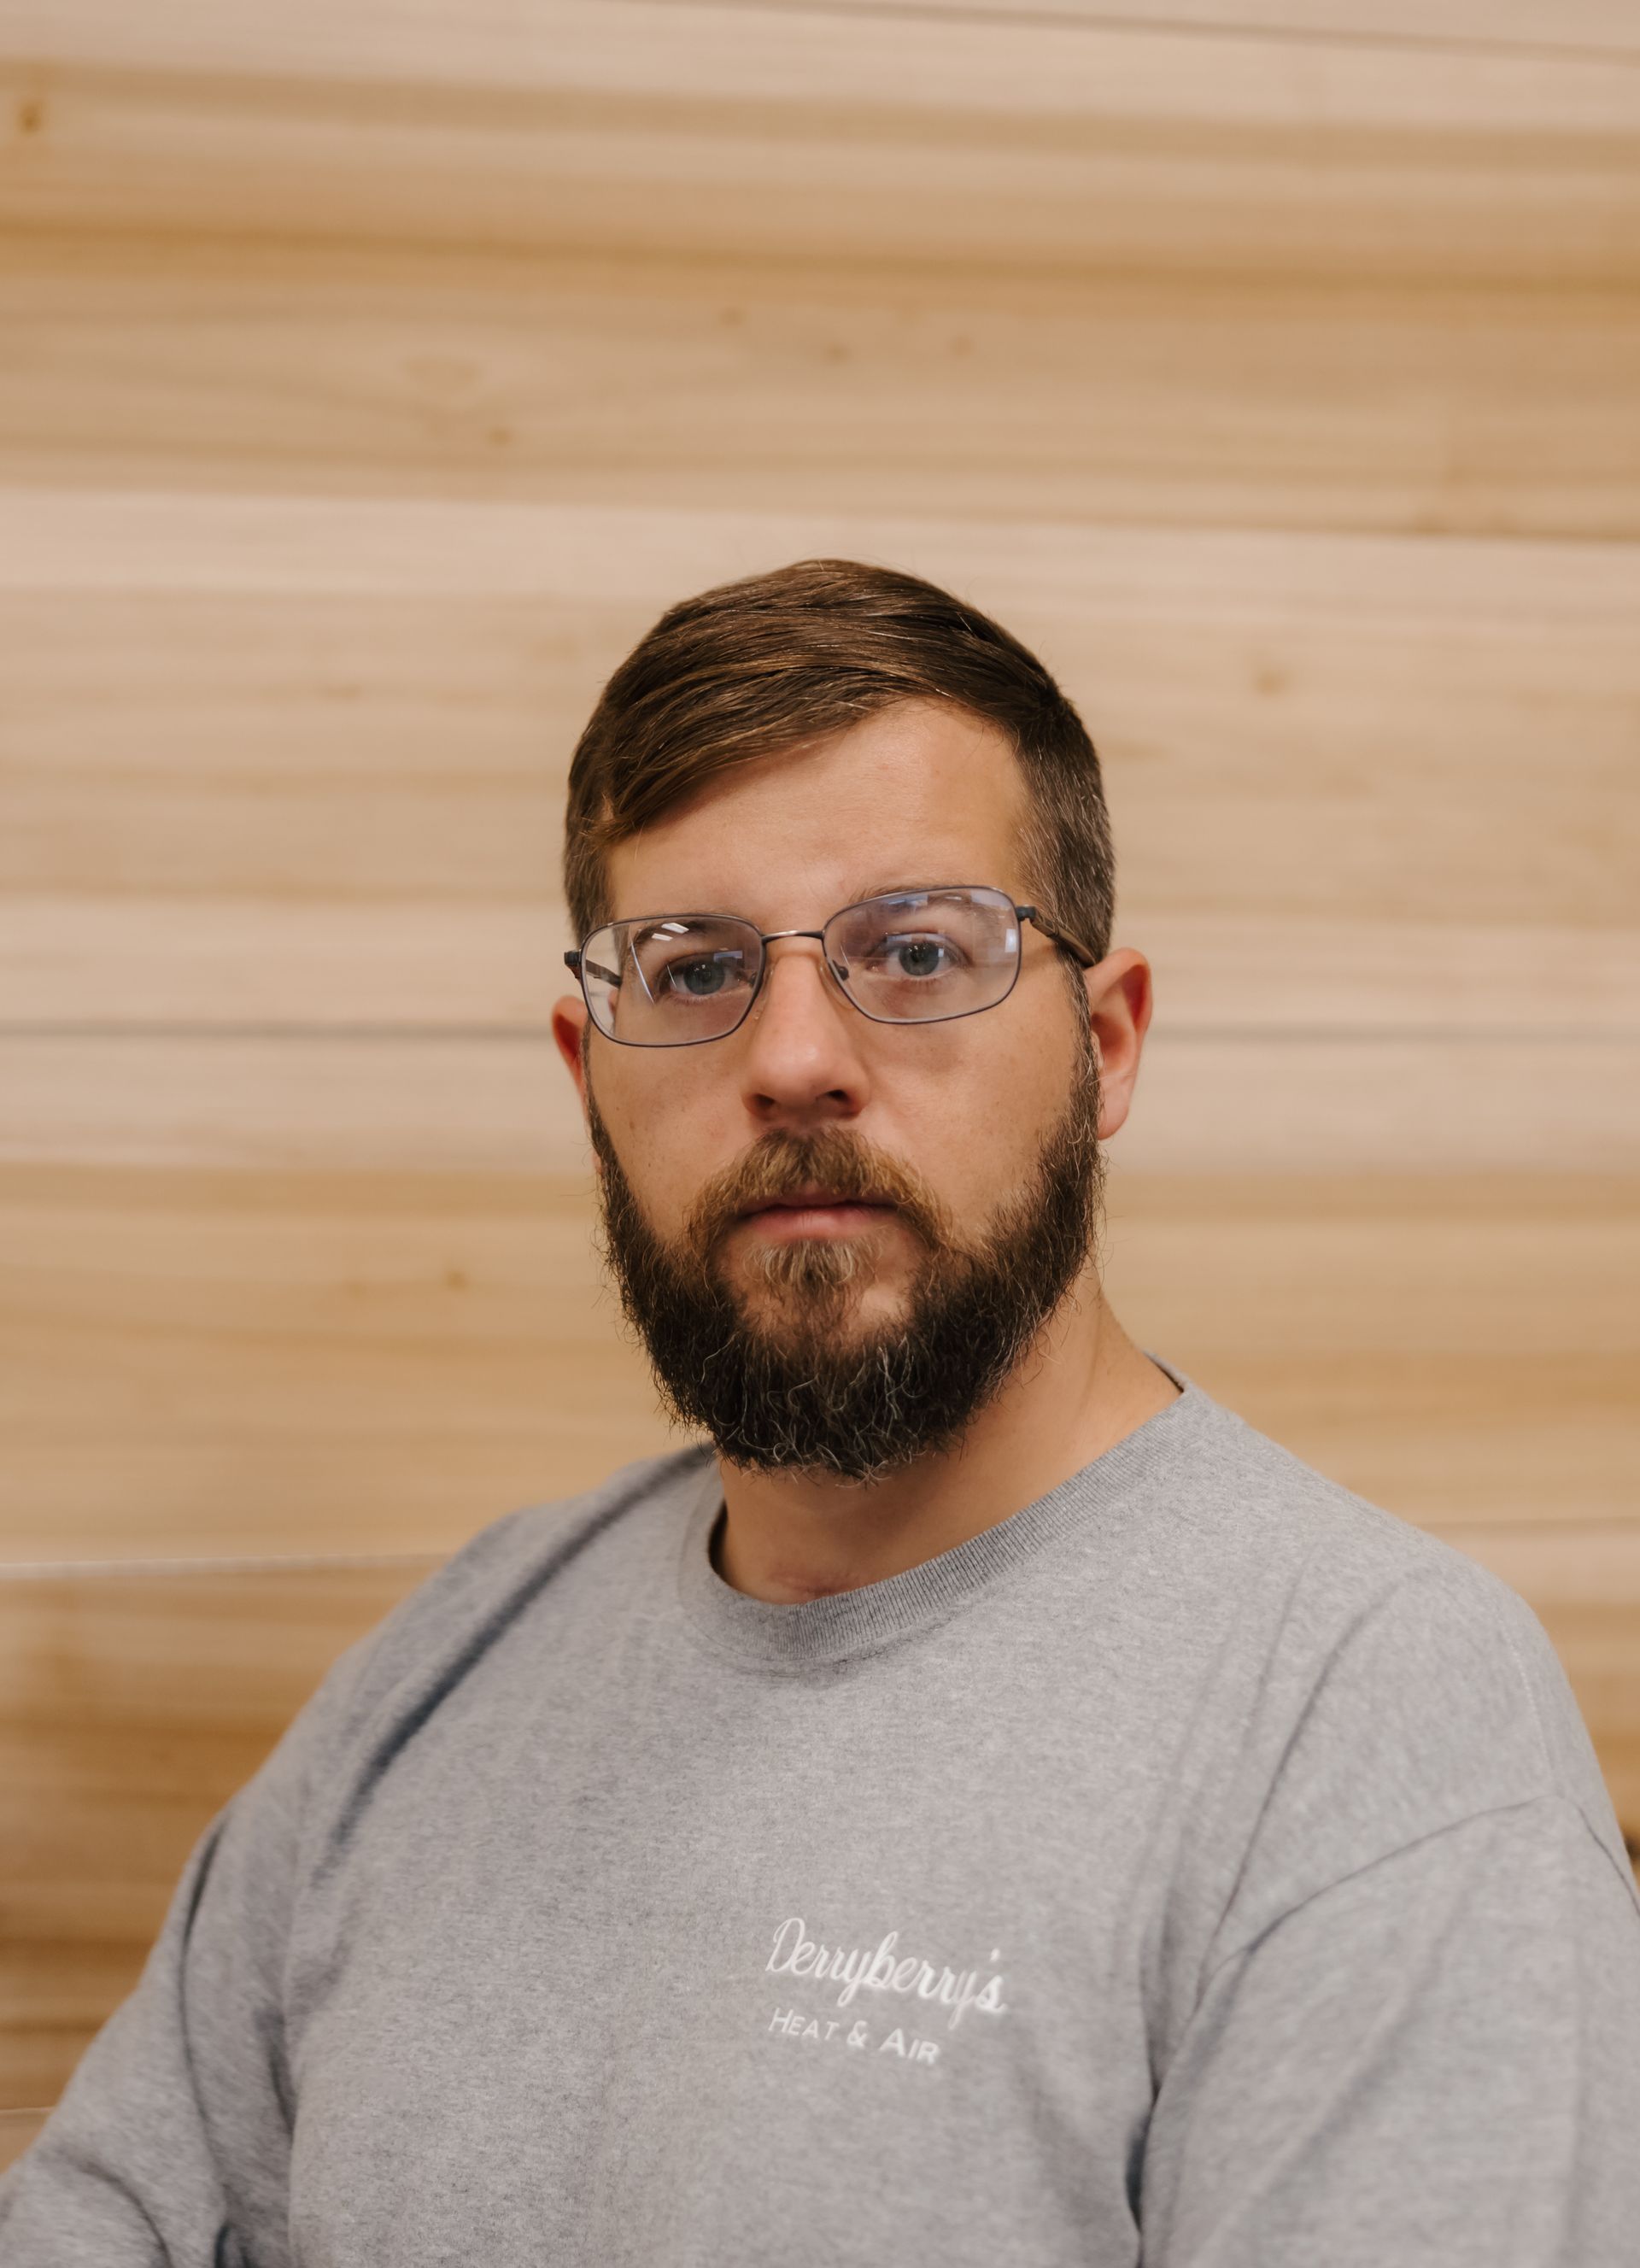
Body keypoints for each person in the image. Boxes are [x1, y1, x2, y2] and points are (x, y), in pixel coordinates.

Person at [3, 560, 1637, 2267]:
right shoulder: (452, 1663)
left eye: (917, 951)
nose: (794, 1054)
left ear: (1111, 1041)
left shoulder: (1366, 1720)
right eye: (695, 970)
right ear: (590, 1076)